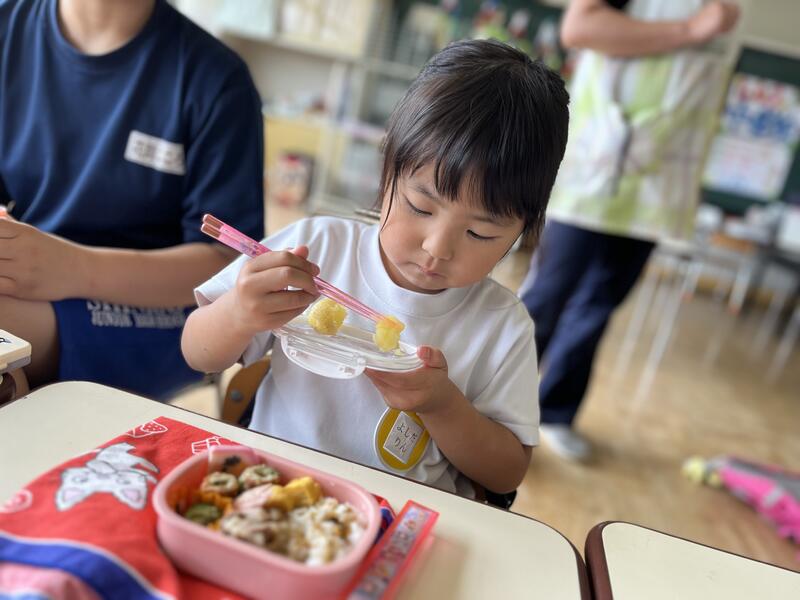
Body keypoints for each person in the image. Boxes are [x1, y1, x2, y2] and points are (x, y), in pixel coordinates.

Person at [182, 39, 570, 498]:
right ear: (387, 173)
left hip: (401, 515)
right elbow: (197, 352)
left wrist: (442, 405)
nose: (437, 248)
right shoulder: (318, 247)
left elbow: (506, 475)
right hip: (274, 491)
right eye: (420, 207)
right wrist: (238, 313)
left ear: (525, 230)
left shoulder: (502, 326)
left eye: (479, 233)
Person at [0, 0, 264, 399]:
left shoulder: (215, 79)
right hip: (30, 272)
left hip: (155, 306)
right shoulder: (9, 30)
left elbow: (225, 261)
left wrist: (73, 268)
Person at [518, 0, 742, 460]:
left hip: (661, 181)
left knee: (600, 304)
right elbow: (579, 27)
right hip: (597, 167)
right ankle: (497, 406)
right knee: (547, 295)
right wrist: (693, 29)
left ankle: (556, 412)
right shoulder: (698, 17)